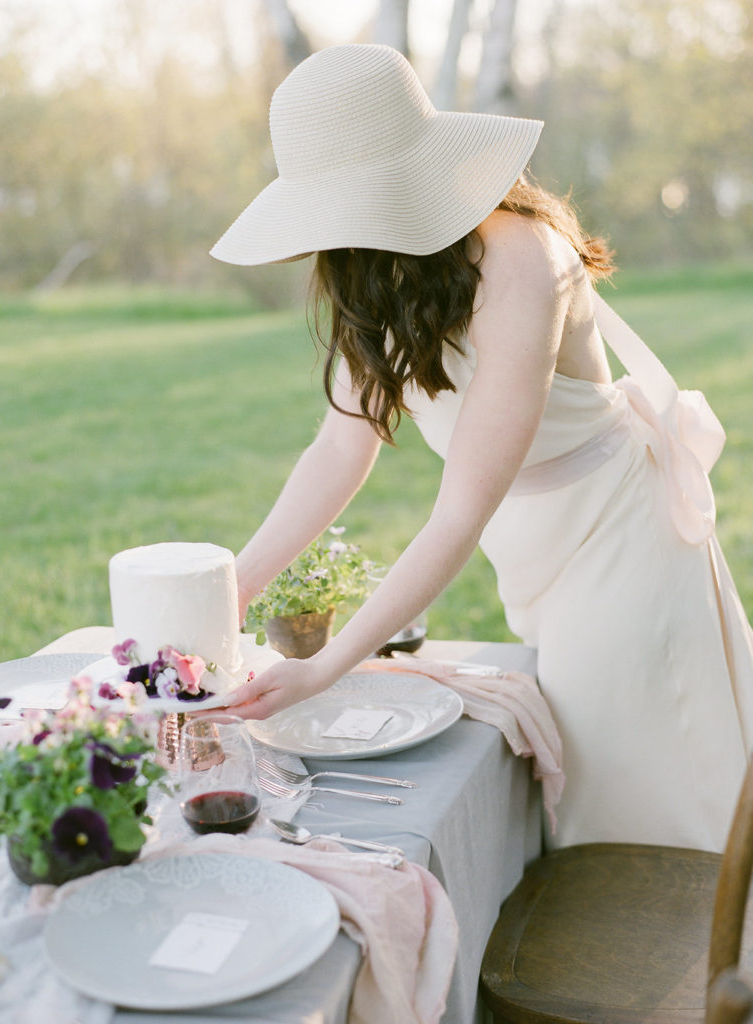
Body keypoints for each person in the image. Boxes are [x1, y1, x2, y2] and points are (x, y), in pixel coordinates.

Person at [209, 43, 753, 851]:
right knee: (580, 779)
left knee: (642, 794)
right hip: (531, 553)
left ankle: (703, 968)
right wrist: (233, 589)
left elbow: (462, 505)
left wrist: (326, 669)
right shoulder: (378, 268)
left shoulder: (521, 256)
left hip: (618, 541)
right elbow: (339, 448)